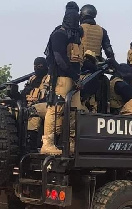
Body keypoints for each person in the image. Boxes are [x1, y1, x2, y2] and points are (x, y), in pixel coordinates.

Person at [41, 1, 83, 154]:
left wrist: (77, 77)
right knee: (55, 109)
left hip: (74, 78)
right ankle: (48, 144)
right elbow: (60, 59)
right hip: (61, 78)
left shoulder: (75, 36)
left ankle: (71, 144)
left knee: (74, 111)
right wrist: (74, 75)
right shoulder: (59, 34)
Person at [22, 57, 50, 152]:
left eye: (40, 66)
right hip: (27, 105)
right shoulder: (32, 79)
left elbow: (48, 96)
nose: (37, 68)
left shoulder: (49, 78)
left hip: (43, 106)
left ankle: (31, 145)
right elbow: (24, 93)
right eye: (35, 66)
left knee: (33, 114)